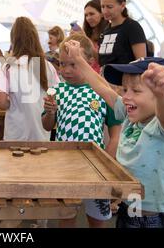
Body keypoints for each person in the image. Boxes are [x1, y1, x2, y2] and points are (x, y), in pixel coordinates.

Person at [66, 39, 164, 228]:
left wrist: (161, 94)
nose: (126, 96)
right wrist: (78, 59)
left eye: (136, 90)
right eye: (125, 89)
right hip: (128, 210)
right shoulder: (130, 117)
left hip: (152, 219)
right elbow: (104, 89)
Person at [41, 34, 122, 228]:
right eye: (62, 64)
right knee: (66, 215)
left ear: (89, 62)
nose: (66, 70)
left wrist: (108, 165)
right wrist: (50, 113)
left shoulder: (102, 92)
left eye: (73, 64)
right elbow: (46, 126)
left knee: (97, 218)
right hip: (64, 165)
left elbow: (115, 134)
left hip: (96, 165)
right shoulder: (57, 90)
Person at [0, 16, 59, 141]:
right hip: (42, 134)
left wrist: (15, 102)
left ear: (13, 39)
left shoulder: (7, 67)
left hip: (15, 134)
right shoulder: (48, 66)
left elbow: (1, 104)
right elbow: (56, 95)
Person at [99, 0, 147, 66]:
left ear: (122, 5)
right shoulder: (106, 30)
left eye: (109, 7)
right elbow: (102, 60)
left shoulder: (132, 27)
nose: (105, 11)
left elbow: (141, 61)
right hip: (104, 77)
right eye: (102, 6)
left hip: (125, 77)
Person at [83, 0, 109, 73]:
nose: (88, 18)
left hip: (101, 77)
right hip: (85, 75)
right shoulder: (87, 33)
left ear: (102, 14)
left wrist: (85, 38)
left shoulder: (108, 33)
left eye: (91, 14)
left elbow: (102, 60)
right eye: (86, 15)